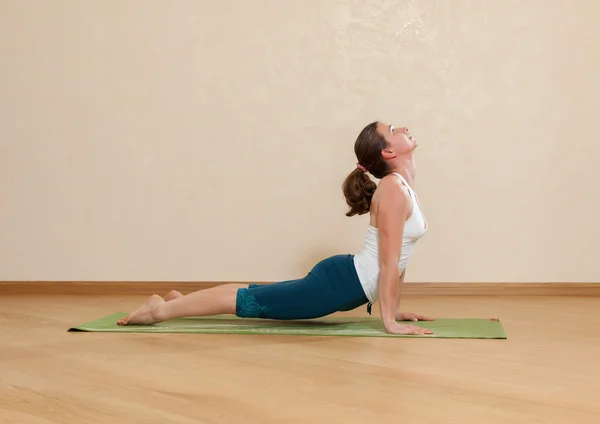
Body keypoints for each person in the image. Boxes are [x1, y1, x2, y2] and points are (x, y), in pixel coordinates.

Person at [117, 121, 434, 335]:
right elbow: (388, 262)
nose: (404, 127)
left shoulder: (401, 186)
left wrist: (396, 309)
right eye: (394, 129)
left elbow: (399, 258)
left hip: (343, 280)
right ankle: (159, 311)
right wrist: (389, 321)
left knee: (255, 293)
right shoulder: (393, 190)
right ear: (388, 152)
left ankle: (179, 301)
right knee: (249, 301)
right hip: (338, 285)